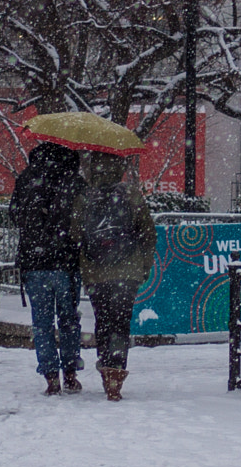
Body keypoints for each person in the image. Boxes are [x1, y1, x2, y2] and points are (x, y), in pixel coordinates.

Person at [70, 150, 155, 401]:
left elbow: (75, 236)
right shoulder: (131, 194)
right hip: (126, 272)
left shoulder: (84, 197)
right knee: (120, 323)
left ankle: (105, 365)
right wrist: (144, 266)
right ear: (119, 168)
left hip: (96, 274)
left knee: (103, 321)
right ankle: (115, 377)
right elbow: (147, 233)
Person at [10, 143, 86, 394]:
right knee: (69, 321)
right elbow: (84, 219)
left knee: (41, 323)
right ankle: (71, 374)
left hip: (35, 263)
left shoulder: (26, 178)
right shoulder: (74, 181)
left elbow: (13, 215)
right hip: (66, 262)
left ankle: (51, 377)